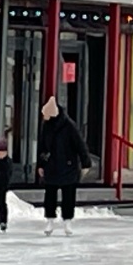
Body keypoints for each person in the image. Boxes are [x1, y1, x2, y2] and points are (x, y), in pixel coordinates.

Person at [35, 96, 92, 236]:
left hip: (68, 166)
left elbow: (80, 145)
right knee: (50, 196)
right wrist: (41, 164)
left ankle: (67, 221)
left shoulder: (69, 126)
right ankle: (49, 220)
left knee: (68, 196)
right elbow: (42, 147)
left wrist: (85, 163)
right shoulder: (46, 126)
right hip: (51, 166)